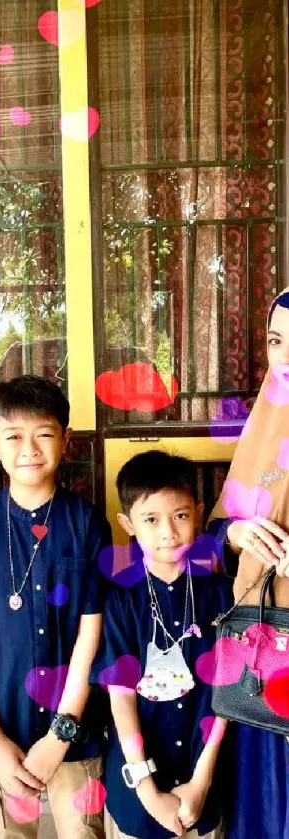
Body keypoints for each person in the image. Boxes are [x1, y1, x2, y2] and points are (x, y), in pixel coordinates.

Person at [0, 375, 111, 839]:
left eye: (44, 434)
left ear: (66, 439)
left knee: (83, 833)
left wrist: (60, 734)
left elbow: (90, 634)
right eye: (13, 436)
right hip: (2, 733)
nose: (29, 448)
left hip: (76, 736)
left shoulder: (87, 524)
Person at [91, 450, 233, 839]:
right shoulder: (119, 601)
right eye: (151, 519)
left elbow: (228, 694)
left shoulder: (223, 596)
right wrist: (148, 791)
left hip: (204, 784)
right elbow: (120, 699)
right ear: (128, 524)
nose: (168, 531)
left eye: (181, 515)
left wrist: (201, 780)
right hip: (136, 793)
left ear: (199, 512)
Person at [208, 287, 289, 839]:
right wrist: (237, 530)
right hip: (262, 645)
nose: (285, 359)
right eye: (278, 342)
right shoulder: (266, 419)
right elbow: (214, 538)